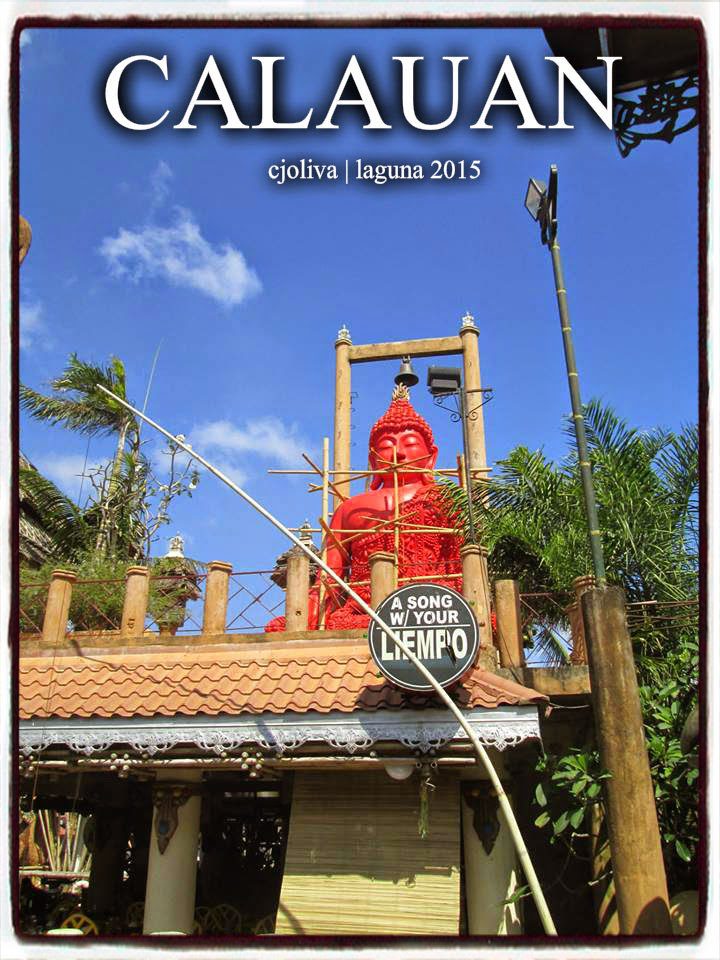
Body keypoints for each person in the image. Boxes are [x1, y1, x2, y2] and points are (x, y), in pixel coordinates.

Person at [267, 384, 462, 631]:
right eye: (386, 445)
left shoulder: (447, 499)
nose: (398, 453)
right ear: (372, 459)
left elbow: (460, 567)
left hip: (433, 609)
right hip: (363, 612)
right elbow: (330, 578)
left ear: (431, 456)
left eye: (410, 443)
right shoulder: (351, 509)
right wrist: (304, 615)